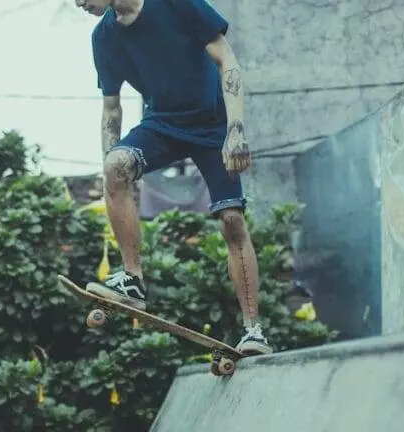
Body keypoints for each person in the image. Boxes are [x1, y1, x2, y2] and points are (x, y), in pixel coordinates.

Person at [75, 0, 272, 355]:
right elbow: (111, 106)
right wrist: (109, 170)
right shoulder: (104, 37)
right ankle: (132, 281)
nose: (78, 3)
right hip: (163, 125)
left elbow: (226, 58)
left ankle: (253, 331)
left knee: (231, 220)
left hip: (212, 125)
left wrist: (236, 129)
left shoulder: (175, 4)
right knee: (115, 167)